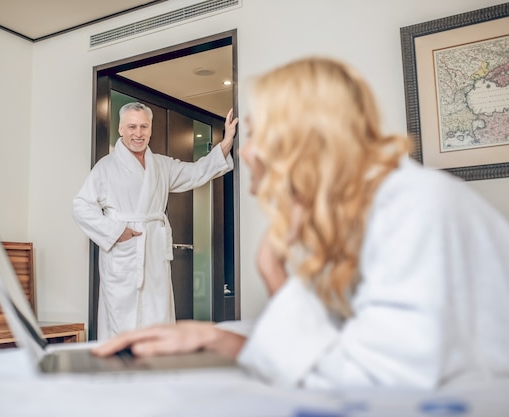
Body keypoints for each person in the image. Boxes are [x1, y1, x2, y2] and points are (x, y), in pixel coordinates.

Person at [92, 57, 509, 389]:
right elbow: (340, 340)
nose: (249, 156)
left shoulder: (417, 209)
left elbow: (374, 380)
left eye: (258, 136)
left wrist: (272, 272)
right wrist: (222, 339)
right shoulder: (359, 210)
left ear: (308, 135)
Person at [73, 102, 238, 341]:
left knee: (157, 312)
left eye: (143, 127)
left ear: (150, 129)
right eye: (131, 127)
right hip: (123, 252)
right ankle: (121, 369)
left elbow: (195, 173)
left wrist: (226, 143)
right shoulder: (106, 167)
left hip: (155, 251)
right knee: (122, 316)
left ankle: (158, 367)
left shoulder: (161, 165)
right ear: (120, 129)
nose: (137, 133)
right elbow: (80, 206)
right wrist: (117, 231)